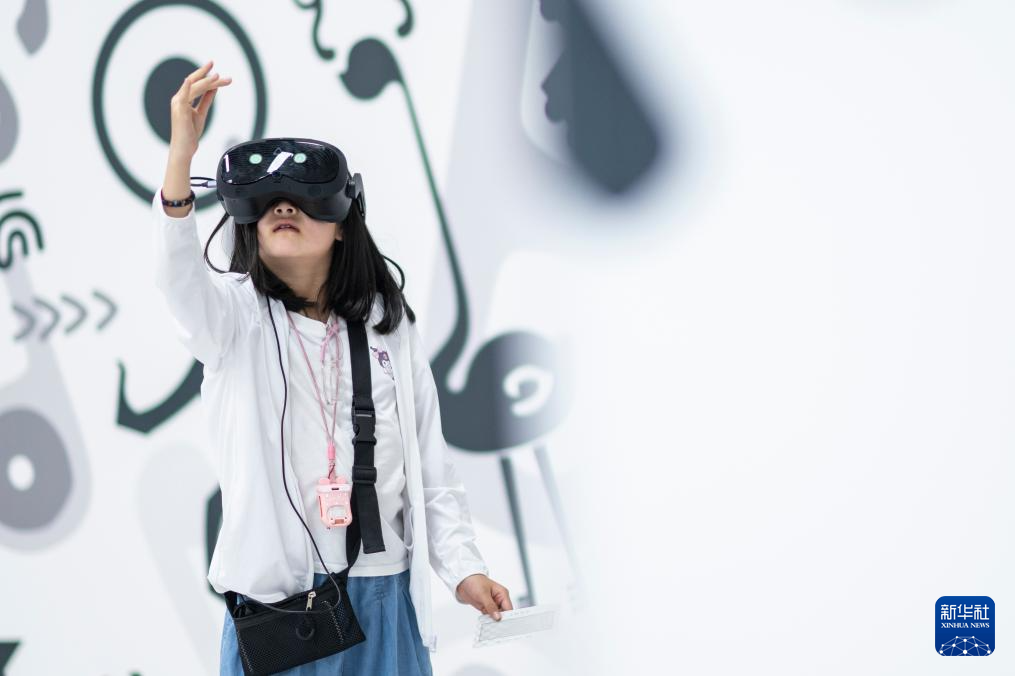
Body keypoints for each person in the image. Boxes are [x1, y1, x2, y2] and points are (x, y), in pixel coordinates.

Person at [154, 60, 512, 675]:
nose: (284, 208)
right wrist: (180, 158)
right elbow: (177, 280)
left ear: (343, 226)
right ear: (249, 227)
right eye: (270, 204)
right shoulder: (233, 318)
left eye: (302, 201)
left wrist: (464, 570)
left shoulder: (388, 325)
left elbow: (430, 467)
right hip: (278, 610)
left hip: (384, 595)